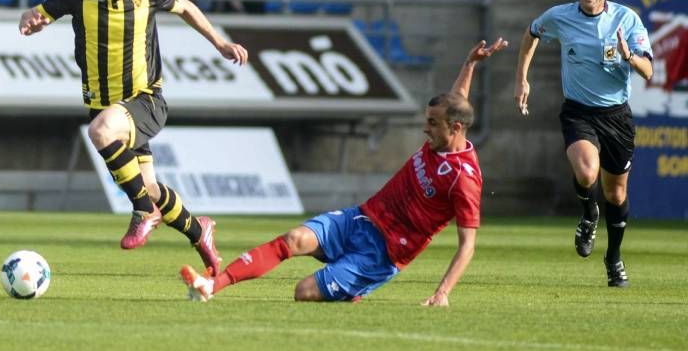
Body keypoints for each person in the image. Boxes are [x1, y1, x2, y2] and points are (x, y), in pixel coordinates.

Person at [181, 37, 508, 304]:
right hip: (361, 218)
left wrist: (442, 293)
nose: (425, 128)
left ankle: (353, 290)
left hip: (384, 252)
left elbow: (467, 244)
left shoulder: (464, 178)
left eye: (432, 123)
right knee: (293, 239)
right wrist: (470, 64)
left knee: (303, 293)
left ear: (456, 128)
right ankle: (211, 286)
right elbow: (458, 100)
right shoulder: (446, 132)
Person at [17, 0, 249, 275]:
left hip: (145, 101)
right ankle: (201, 232)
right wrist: (30, 19)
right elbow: (40, 13)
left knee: (101, 132)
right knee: (151, 186)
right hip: (104, 103)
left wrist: (219, 43)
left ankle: (142, 210)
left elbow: (186, 7)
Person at [514, 0, 654, 288]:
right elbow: (532, 33)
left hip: (616, 117)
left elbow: (649, 71)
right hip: (578, 111)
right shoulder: (560, 16)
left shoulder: (626, 19)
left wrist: (628, 56)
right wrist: (522, 79)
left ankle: (614, 258)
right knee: (587, 172)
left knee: (616, 195)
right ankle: (589, 214)